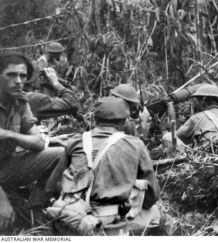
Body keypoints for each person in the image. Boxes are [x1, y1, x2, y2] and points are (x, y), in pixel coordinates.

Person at [52, 96, 159, 234]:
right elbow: (152, 197)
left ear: (95, 119)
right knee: (155, 213)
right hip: (106, 222)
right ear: (123, 122)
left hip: (72, 217)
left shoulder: (75, 141)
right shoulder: (135, 144)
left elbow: (52, 184)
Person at [0, 52, 68, 230]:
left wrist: (10, 135)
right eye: (11, 75)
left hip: (5, 168)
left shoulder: (20, 102)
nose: (18, 80)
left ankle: (34, 206)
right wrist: (2, 201)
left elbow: (38, 142)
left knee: (61, 154)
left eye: (22, 76)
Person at [163, 83, 218, 151]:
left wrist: (165, 131)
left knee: (167, 137)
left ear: (203, 100)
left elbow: (176, 137)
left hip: (209, 158)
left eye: (197, 100)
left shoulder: (197, 118)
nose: (196, 103)